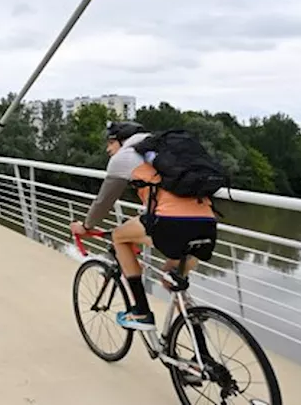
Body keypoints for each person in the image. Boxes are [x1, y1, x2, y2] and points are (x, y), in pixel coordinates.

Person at [69, 121, 218, 331]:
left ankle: (140, 312)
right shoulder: (162, 153)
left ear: (121, 141)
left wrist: (85, 226)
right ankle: (201, 357)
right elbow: (167, 194)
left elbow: (104, 202)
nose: (107, 149)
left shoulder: (124, 157)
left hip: (171, 222)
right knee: (171, 281)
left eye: (110, 143)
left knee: (119, 237)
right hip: (207, 224)